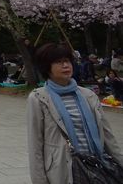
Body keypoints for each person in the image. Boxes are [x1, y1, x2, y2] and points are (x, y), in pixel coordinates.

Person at [27, 42, 123, 184]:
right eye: (59, 62)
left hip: (96, 165)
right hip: (64, 169)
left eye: (67, 61)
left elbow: (108, 136)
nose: (65, 65)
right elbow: (35, 145)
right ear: (47, 68)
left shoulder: (88, 95)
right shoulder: (39, 98)